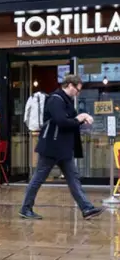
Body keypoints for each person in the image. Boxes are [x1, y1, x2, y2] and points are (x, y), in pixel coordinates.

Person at [20, 75, 104, 220]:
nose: (78, 93)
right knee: (38, 178)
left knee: (73, 178)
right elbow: (62, 122)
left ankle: (86, 208)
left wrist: (81, 119)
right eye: (78, 90)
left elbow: (70, 121)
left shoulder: (66, 101)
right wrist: (80, 117)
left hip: (63, 148)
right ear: (70, 85)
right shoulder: (55, 99)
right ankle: (25, 208)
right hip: (52, 148)